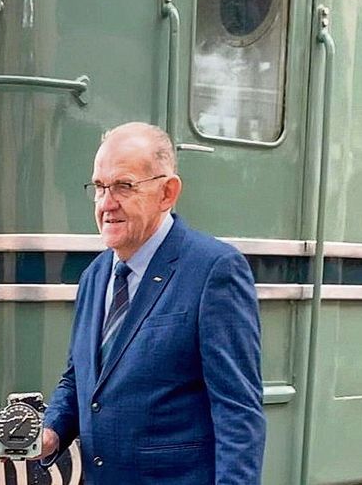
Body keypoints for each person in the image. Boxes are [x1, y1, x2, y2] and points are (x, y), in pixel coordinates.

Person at [40, 122, 265, 484]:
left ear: (167, 193)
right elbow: (78, 379)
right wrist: (50, 431)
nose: (106, 203)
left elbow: (237, 411)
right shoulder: (94, 277)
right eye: (99, 187)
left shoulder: (214, 271)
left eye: (123, 186)